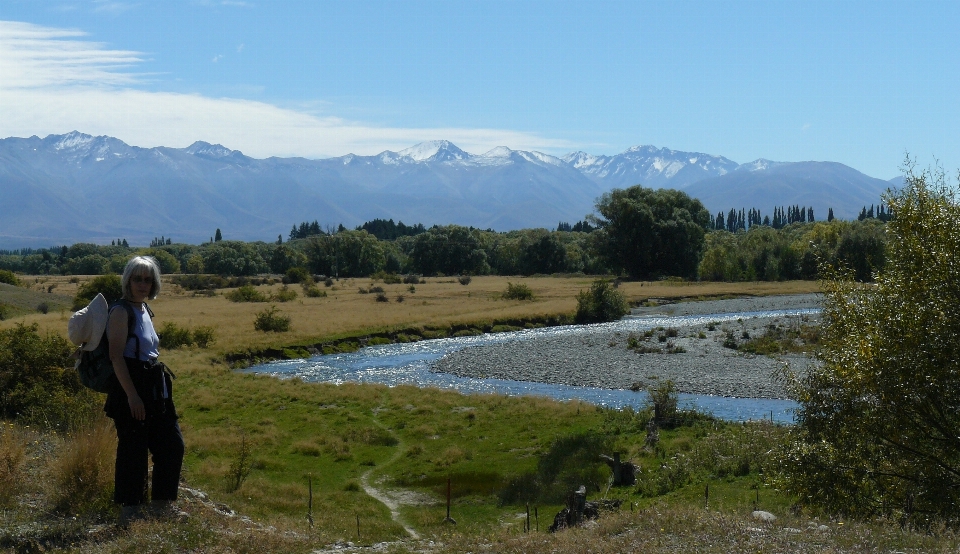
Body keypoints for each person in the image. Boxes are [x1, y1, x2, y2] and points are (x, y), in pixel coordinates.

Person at [105, 256, 185, 525]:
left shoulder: (144, 309)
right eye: (137, 279)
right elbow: (116, 357)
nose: (142, 284)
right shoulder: (120, 311)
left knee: (172, 444)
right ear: (127, 280)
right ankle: (130, 512)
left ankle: (162, 506)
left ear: (154, 283)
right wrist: (132, 396)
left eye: (147, 279)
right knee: (133, 450)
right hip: (131, 386)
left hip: (154, 386)